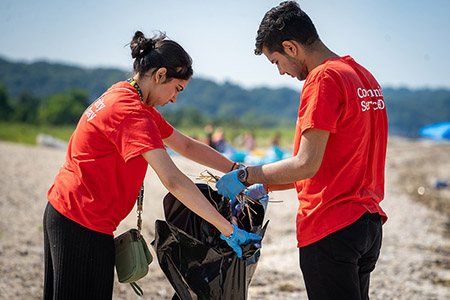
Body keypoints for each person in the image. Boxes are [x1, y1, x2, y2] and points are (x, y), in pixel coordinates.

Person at [43, 31, 261, 300]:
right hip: (80, 221)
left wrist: (237, 171)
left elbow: (187, 146)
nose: (174, 100)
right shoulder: (131, 112)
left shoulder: (127, 96)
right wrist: (227, 229)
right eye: (177, 89)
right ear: (159, 76)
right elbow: (173, 180)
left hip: (71, 213)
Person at [216, 2, 388, 299]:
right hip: (366, 224)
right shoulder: (363, 76)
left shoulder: (323, 79)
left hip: (330, 225)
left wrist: (245, 176)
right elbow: (325, 164)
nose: (281, 72)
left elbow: (306, 164)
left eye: (276, 61)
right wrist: (264, 183)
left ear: (291, 47)